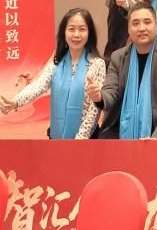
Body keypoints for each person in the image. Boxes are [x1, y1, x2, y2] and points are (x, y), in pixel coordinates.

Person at [0, 8, 105, 139]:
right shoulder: (56, 65)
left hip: (86, 141)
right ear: (64, 32)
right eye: (71, 29)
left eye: (82, 29)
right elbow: (37, 86)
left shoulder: (97, 64)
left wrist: (79, 141)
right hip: (57, 138)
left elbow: (93, 110)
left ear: (90, 33)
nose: (76, 34)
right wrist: (15, 102)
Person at [91, 4, 157, 139]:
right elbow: (111, 91)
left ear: (156, 25)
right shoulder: (118, 57)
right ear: (128, 29)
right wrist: (99, 97)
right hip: (120, 134)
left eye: (147, 22)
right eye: (135, 23)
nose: (141, 28)